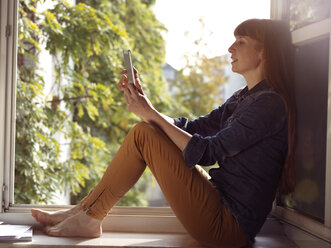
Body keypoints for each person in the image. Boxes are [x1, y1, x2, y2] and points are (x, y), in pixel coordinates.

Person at [31, 18, 296, 248]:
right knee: (147, 130)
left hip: (228, 227)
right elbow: (192, 129)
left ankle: (89, 217)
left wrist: (150, 114)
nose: (230, 48)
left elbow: (207, 152)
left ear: (264, 52)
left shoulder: (269, 104)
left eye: (240, 41)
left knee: (144, 133)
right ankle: (83, 211)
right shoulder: (244, 98)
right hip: (218, 204)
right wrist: (148, 106)